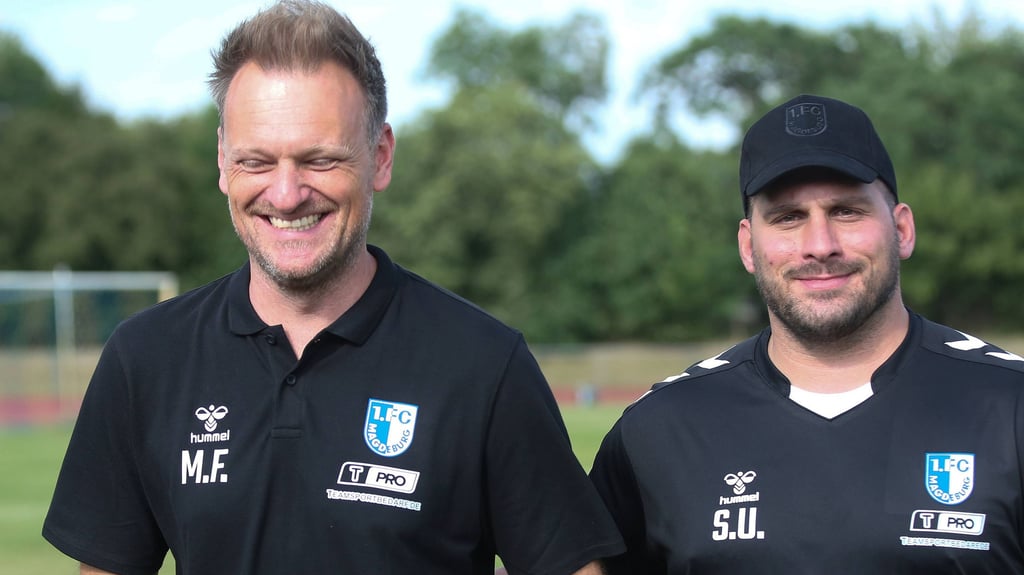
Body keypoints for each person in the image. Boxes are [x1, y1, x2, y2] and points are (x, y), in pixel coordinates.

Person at [42, 2, 623, 574]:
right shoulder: (146, 357)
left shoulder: (484, 365)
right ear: (223, 160)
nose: (287, 193)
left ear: (380, 156)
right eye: (256, 161)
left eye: (319, 160)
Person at [589, 93, 1024, 573]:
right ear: (749, 246)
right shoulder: (659, 430)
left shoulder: (1008, 405)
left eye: (846, 211)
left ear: (901, 229)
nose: (820, 246)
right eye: (787, 218)